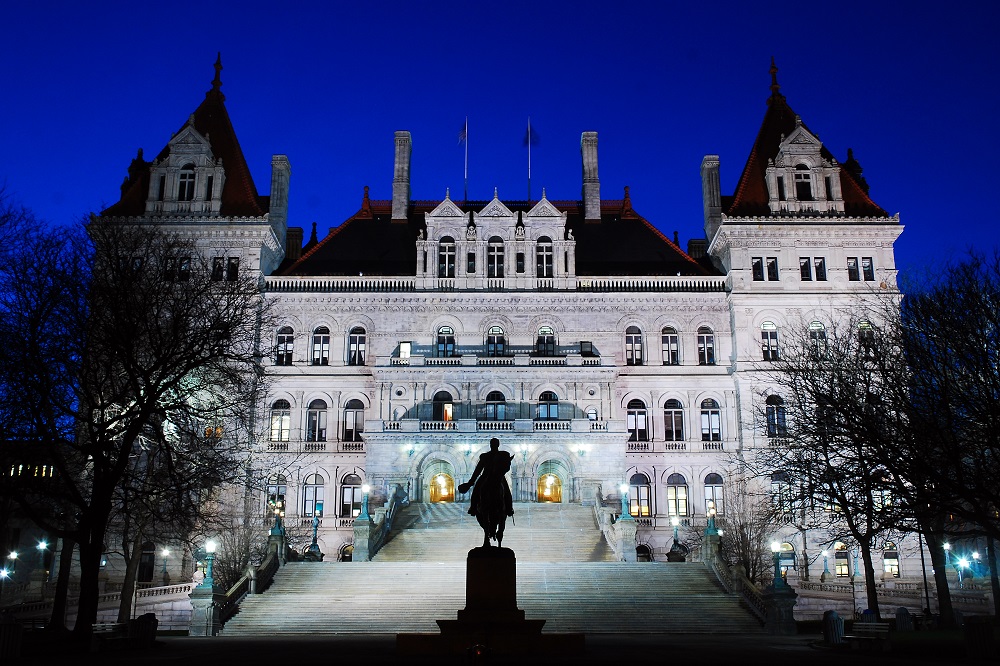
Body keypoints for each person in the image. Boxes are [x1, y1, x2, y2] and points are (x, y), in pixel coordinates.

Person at [458, 437, 515, 547]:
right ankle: (473, 507)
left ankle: (509, 508)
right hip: (486, 477)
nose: (493, 445)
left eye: (495, 444)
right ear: (490, 445)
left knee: (506, 491)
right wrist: (470, 482)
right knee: (477, 488)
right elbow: (478, 470)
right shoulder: (485, 456)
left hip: (498, 477)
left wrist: (503, 468)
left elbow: (507, 467)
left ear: (497, 445)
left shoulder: (503, 455)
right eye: (492, 443)